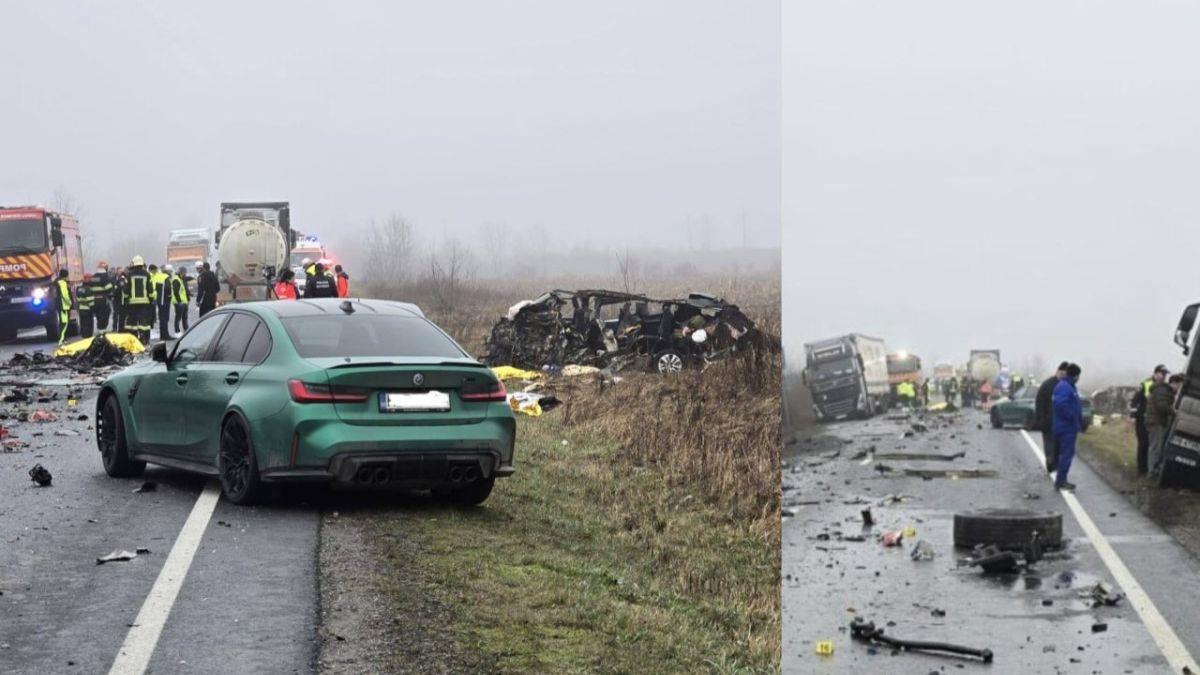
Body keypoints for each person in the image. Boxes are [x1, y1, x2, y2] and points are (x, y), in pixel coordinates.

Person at [1052, 363, 1084, 491]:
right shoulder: (1065, 387)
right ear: (1075, 375)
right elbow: (1061, 405)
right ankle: (1061, 481)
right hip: (1066, 427)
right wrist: (1072, 417)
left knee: (1066, 454)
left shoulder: (1068, 386)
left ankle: (1061, 480)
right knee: (1066, 454)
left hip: (1066, 426)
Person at [1129, 366, 1165, 476]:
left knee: (1150, 444)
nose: (1164, 376)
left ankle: (1147, 468)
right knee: (1143, 443)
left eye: (1165, 374)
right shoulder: (1146, 384)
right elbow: (1135, 401)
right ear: (1156, 374)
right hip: (1142, 418)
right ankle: (1141, 470)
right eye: (1162, 373)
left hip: (1151, 420)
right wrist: (1133, 416)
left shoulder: (1162, 387)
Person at [1035, 362, 1069, 473]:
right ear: (1057, 372)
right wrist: (1040, 419)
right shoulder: (1047, 385)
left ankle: (1057, 463)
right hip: (1049, 421)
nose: (1063, 376)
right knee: (1049, 444)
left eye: (1065, 374)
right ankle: (1050, 462)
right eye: (1061, 373)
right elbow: (1039, 403)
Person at [1147, 371, 1179, 482]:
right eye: (1179, 385)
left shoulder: (1164, 390)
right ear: (1174, 383)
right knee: (1155, 447)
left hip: (1157, 421)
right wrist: (1173, 412)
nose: (1179, 388)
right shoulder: (1163, 390)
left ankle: (1153, 470)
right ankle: (1151, 472)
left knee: (1157, 447)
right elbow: (1161, 405)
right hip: (1156, 421)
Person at [123, 256, 155, 344]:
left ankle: (133, 340)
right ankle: (144, 340)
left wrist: (126, 300)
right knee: (144, 323)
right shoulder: (147, 274)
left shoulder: (129, 275)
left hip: (132, 304)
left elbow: (126, 289)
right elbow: (150, 289)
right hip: (144, 303)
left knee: (132, 323)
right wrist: (151, 299)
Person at [88, 262, 114, 331]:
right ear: (105, 268)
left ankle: (100, 329)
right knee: (105, 315)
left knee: (98, 316)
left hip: (94, 300)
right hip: (103, 300)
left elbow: (89, 289)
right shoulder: (105, 277)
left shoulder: (93, 277)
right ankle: (102, 331)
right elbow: (109, 288)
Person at [152, 264, 173, 339]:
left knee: (161, 318)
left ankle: (162, 335)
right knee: (165, 318)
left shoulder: (157, 276)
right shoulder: (165, 277)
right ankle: (165, 335)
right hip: (165, 300)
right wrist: (170, 296)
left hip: (159, 299)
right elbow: (168, 288)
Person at [53, 269, 73, 344]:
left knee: (63, 322)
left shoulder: (56, 282)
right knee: (64, 322)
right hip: (63, 306)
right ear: (65, 275)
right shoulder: (62, 283)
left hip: (59, 305)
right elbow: (65, 295)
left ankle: (63, 339)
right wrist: (70, 302)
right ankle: (61, 339)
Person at [171, 266, 190, 334]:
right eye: (184, 272)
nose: (185, 274)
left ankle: (186, 330)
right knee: (178, 317)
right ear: (181, 272)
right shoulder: (176, 279)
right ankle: (177, 331)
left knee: (184, 317)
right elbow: (176, 292)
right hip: (179, 302)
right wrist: (179, 301)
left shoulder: (180, 278)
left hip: (183, 302)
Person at [76, 274, 96, 338]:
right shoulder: (88, 289)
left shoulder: (79, 288)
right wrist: (94, 309)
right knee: (88, 324)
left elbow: (78, 299)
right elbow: (90, 301)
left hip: (81, 309)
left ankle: (84, 335)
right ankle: (88, 336)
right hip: (88, 309)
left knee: (83, 323)